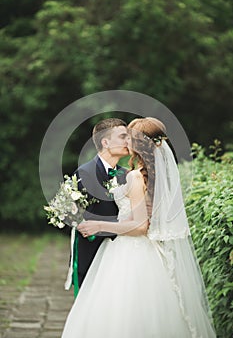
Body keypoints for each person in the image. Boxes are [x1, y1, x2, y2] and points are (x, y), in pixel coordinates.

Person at [62, 117, 216, 338]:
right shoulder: (152, 174)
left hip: (128, 250)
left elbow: (140, 225)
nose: (126, 140)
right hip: (148, 251)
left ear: (138, 143)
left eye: (129, 136)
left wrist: (99, 225)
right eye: (123, 136)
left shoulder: (134, 176)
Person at [65, 118, 149, 295]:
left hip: (120, 253)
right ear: (105, 142)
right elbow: (68, 211)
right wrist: (80, 224)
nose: (128, 141)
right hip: (91, 252)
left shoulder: (127, 174)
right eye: (122, 136)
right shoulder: (84, 173)